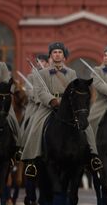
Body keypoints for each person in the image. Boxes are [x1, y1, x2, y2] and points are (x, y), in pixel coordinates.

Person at [21, 42, 102, 177]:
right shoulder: (41, 73)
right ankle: (32, 160)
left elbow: (75, 90)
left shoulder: (72, 73)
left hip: (68, 106)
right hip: (48, 106)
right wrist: (53, 101)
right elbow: (40, 92)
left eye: (60, 52)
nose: (57, 54)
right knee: (36, 126)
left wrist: (66, 102)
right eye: (54, 52)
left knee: (86, 126)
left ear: (64, 57)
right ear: (50, 56)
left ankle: (93, 156)